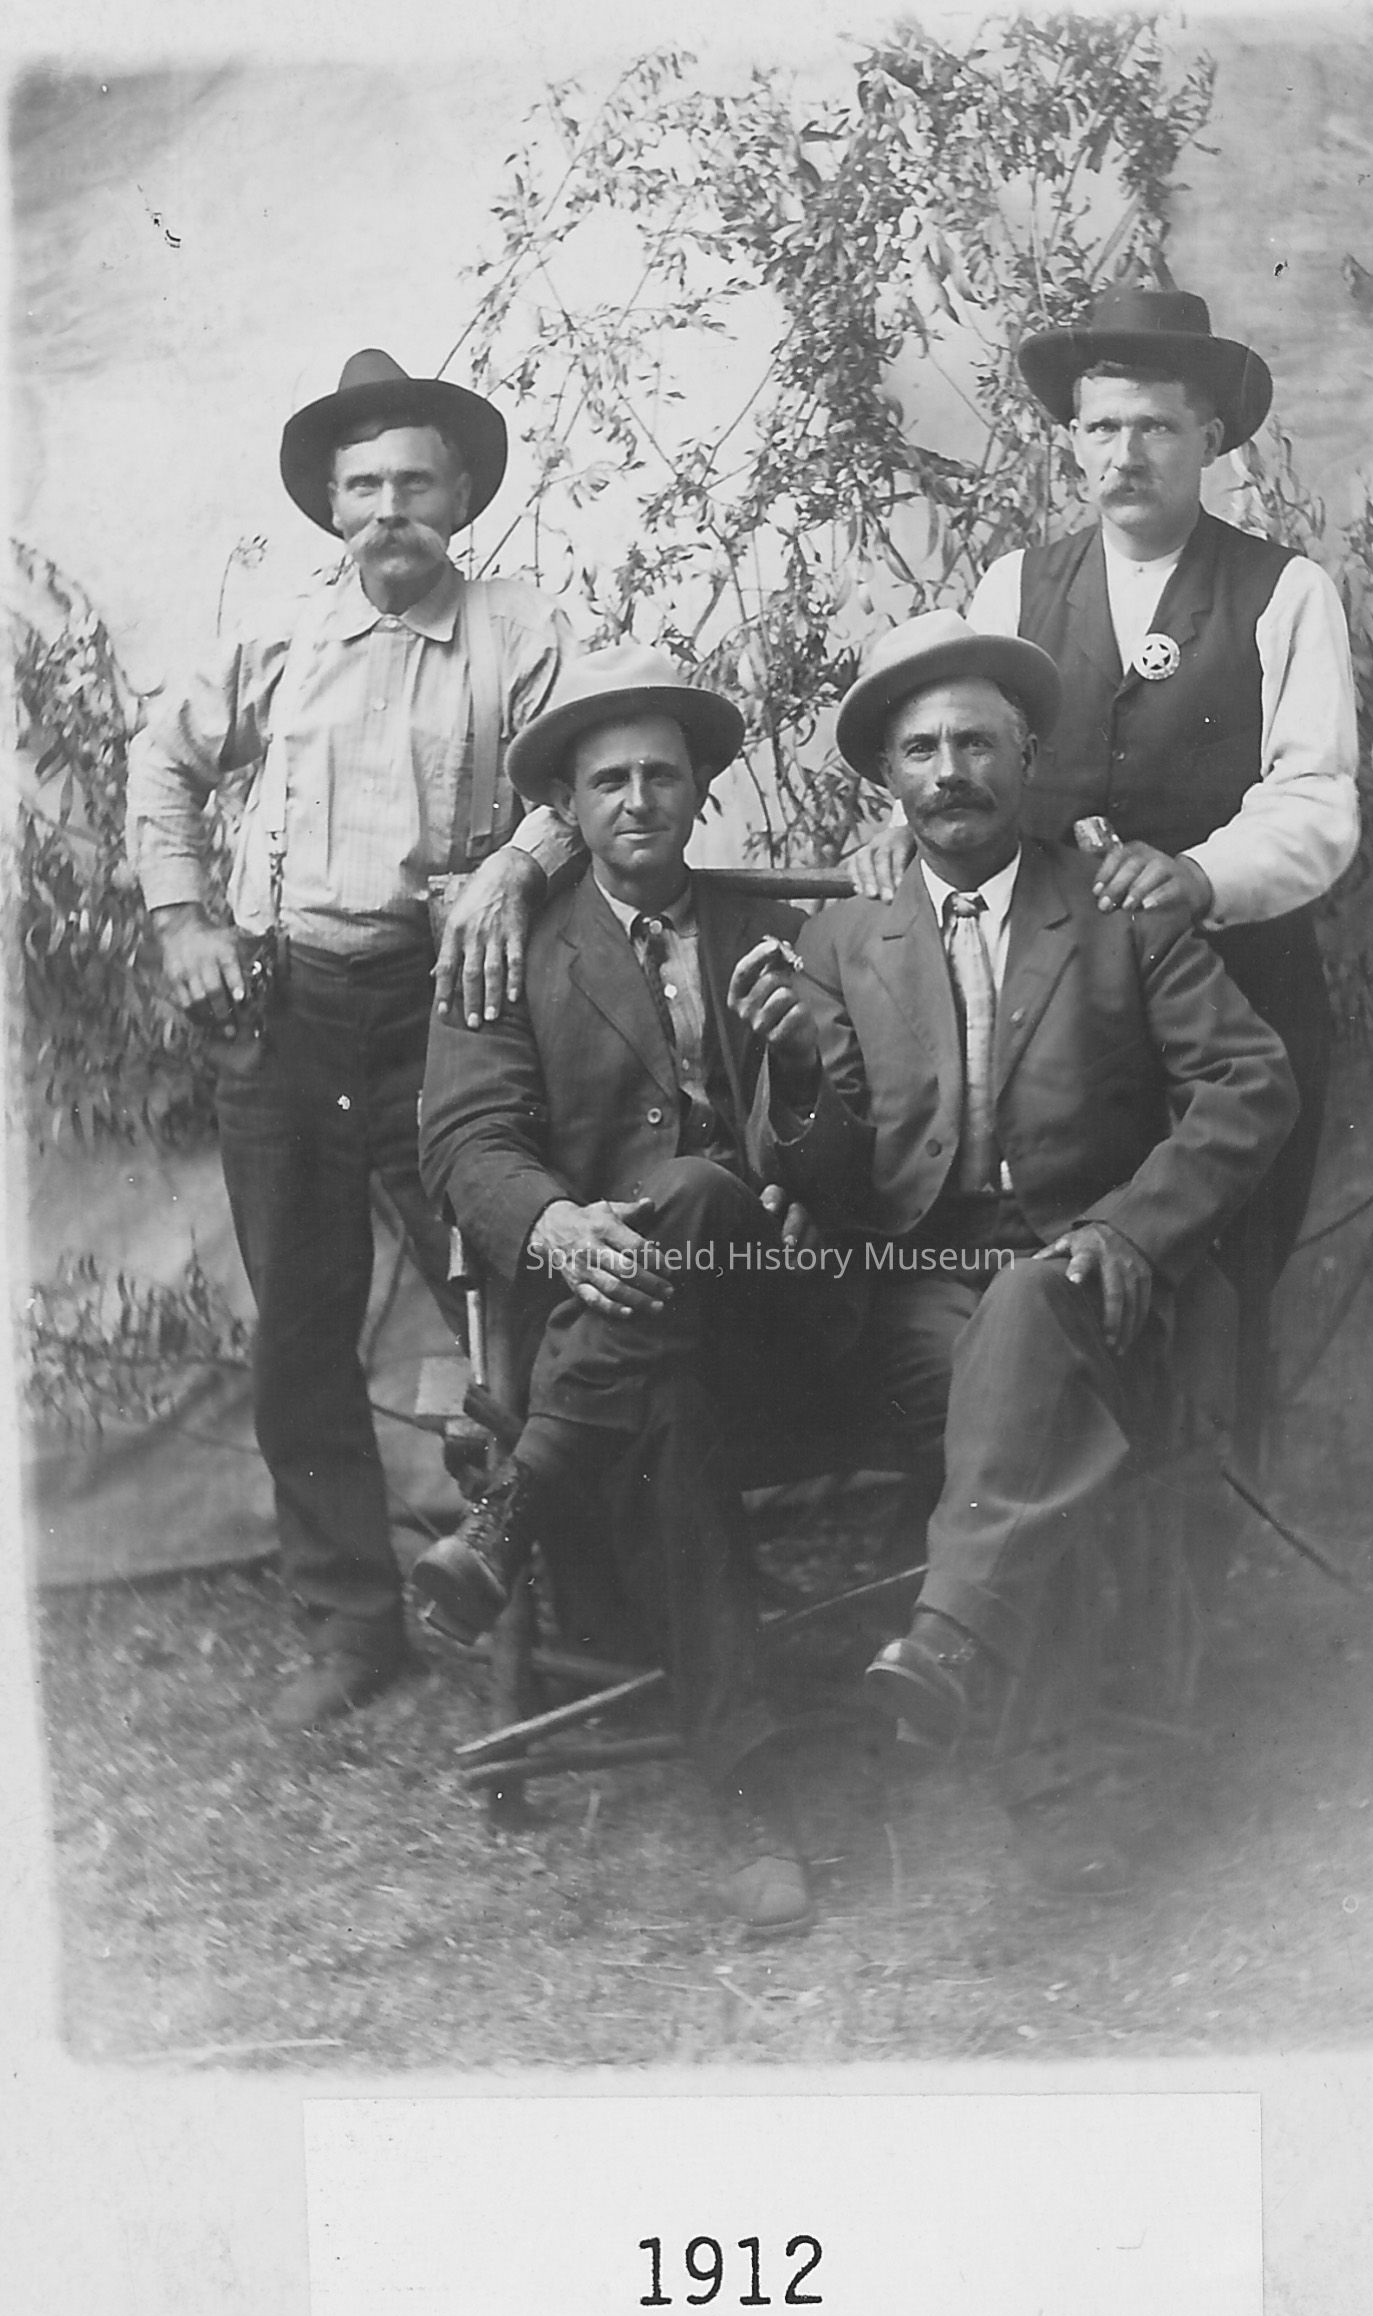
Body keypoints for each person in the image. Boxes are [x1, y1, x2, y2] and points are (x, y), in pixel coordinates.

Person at [771, 610, 1299, 1890]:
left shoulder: (1117, 908)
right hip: (914, 1293)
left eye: (974, 743)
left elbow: (1251, 1082)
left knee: (1026, 1330)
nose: (948, 772)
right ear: (887, 778)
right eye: (919, 751)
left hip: (1096, 1276)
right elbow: (829, 1178)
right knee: (1015, 1403)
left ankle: (951, 1640)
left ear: (1025, 758)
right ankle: (1040, 1763)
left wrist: (1131, 1224)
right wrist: (789, 1079)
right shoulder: (843, 938)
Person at [127, 349, 576, 1728]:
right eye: (365, 487)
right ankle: (349, 1624)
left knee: (508, 1301)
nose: (391, 512)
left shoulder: (519, 631)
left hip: (449, 1015)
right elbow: (162, 761)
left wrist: (516, 866)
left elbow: (591, 776)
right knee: (302, 1327)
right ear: (332, 506)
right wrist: (184, 919)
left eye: (416, 486)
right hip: (285, 1012)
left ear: (462, 499)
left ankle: (556, 1581)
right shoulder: (279, 636)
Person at [414, 645, 848, 1937]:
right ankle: (754, 1790)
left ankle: (517, 1506)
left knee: (704, 1189)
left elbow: (859, 1136)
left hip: (772, 1314)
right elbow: (464, 1143)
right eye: (609, 781)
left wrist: (804, 1093)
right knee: (663, 1406)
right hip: (624, 1342)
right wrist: (555, 1227)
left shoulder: (777, 933)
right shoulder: (510, 948)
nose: (640, 799)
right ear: (566, 803)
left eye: (663, 774)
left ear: (701, 789)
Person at [853, 285, 1358, 1274]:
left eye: (1155, 427)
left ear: (1208, 439)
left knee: (1222, 1285)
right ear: (1073, 445)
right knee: (1069, 1272)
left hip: (1240, 992)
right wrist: (908, 830)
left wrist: (1199, 875)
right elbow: (964, 753)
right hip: (1065, 1012)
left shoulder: (1285, 591)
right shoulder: (1015, 586)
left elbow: (1316, 797)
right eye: (1101, 428)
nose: (1125, 455)